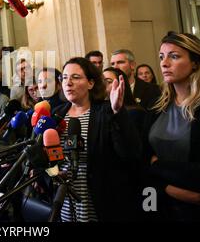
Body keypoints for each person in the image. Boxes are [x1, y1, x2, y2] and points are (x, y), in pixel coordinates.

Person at [143, 32, 200, 221]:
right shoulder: (157, 104)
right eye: (162, 57)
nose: (164, 63)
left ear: (195, 62)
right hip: (159, 204)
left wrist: (156, 164)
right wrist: (169, 189)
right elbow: (141, 160)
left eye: (174, 56)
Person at [55, 57, 142, 222]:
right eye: (65, 77)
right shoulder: (56, 114)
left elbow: (130, 152)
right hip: (65, 203)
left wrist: (118, 112)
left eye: (76, 77)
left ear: (90, 83)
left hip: (100, 201)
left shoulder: (105, 112)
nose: (68, 82)